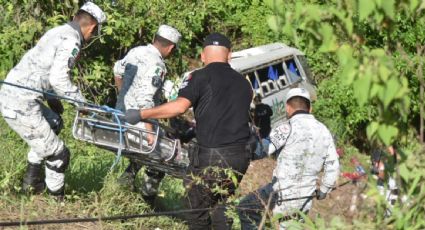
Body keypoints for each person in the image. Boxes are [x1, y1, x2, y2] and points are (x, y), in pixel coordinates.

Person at [124, 32, 254, 230]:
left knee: (196, 211)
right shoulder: (244, 84)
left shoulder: (199, 76)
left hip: (212, 155)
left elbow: (179, 107)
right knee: (221, 205)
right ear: (229, 56)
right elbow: (228, 117)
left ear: (203, 56)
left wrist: (142, 114)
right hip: (240, 156)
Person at [0, 2, 106, 198]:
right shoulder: (72, 41)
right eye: (95, 32)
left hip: (13, 94)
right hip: (22, 103)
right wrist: (82, 105)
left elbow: (43, 69)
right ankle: (56, 199)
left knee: (54, 123)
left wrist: (52, 99)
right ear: (92, 27)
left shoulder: (57, 31)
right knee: (59, 155)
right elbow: (58, 79)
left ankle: (31, 183)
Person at [238, 88, 340, 229]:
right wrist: (324, 189)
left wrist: (246, 147)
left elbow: (264, 150)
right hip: (306, 197)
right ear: (310, 108)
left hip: (281, 194)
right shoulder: (323, 130)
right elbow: (333, 164)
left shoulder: (286, 127)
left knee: (246, 207)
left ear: (287, 107)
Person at [113, 25, 181, 205]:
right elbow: (145, 101)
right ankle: (148, 200)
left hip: (121, 115)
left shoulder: (137, 51)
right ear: (171, 47)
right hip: (138, 122)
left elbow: (117, 70)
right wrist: (150, 132)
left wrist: (123, 97)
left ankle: (125, 181)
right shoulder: (157, 65)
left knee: (150, 149)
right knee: (163, 157)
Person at [252, 94, 273, 159]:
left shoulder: (255, 111)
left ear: (254, 101)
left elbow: (255, 122)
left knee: (261, 144)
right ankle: (270, 154)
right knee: (269, 141)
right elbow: (271, 113)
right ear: (261, 99)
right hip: (268, 128)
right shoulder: (266, 106)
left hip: (260, 131)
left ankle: (261, 155)